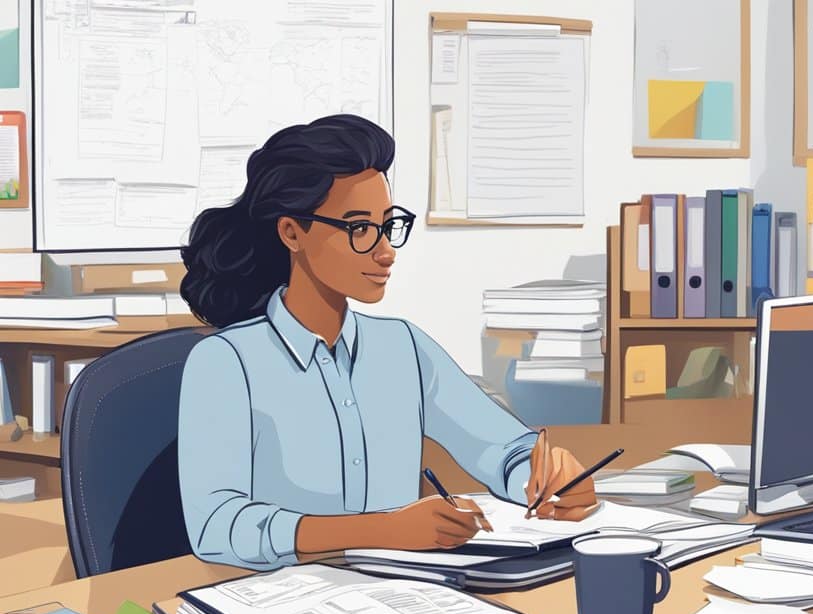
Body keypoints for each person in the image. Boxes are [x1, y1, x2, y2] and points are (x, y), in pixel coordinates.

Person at [176, 113, 596, 569]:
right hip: (276, 604)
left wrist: (543, 477)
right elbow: (217, 526)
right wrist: (386, 530)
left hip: (403, 593)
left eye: (387, 225)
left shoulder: (402, 348)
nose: (386, 251)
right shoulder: (225, 363)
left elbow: (500, 446)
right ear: (292, 232)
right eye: (359, 229)